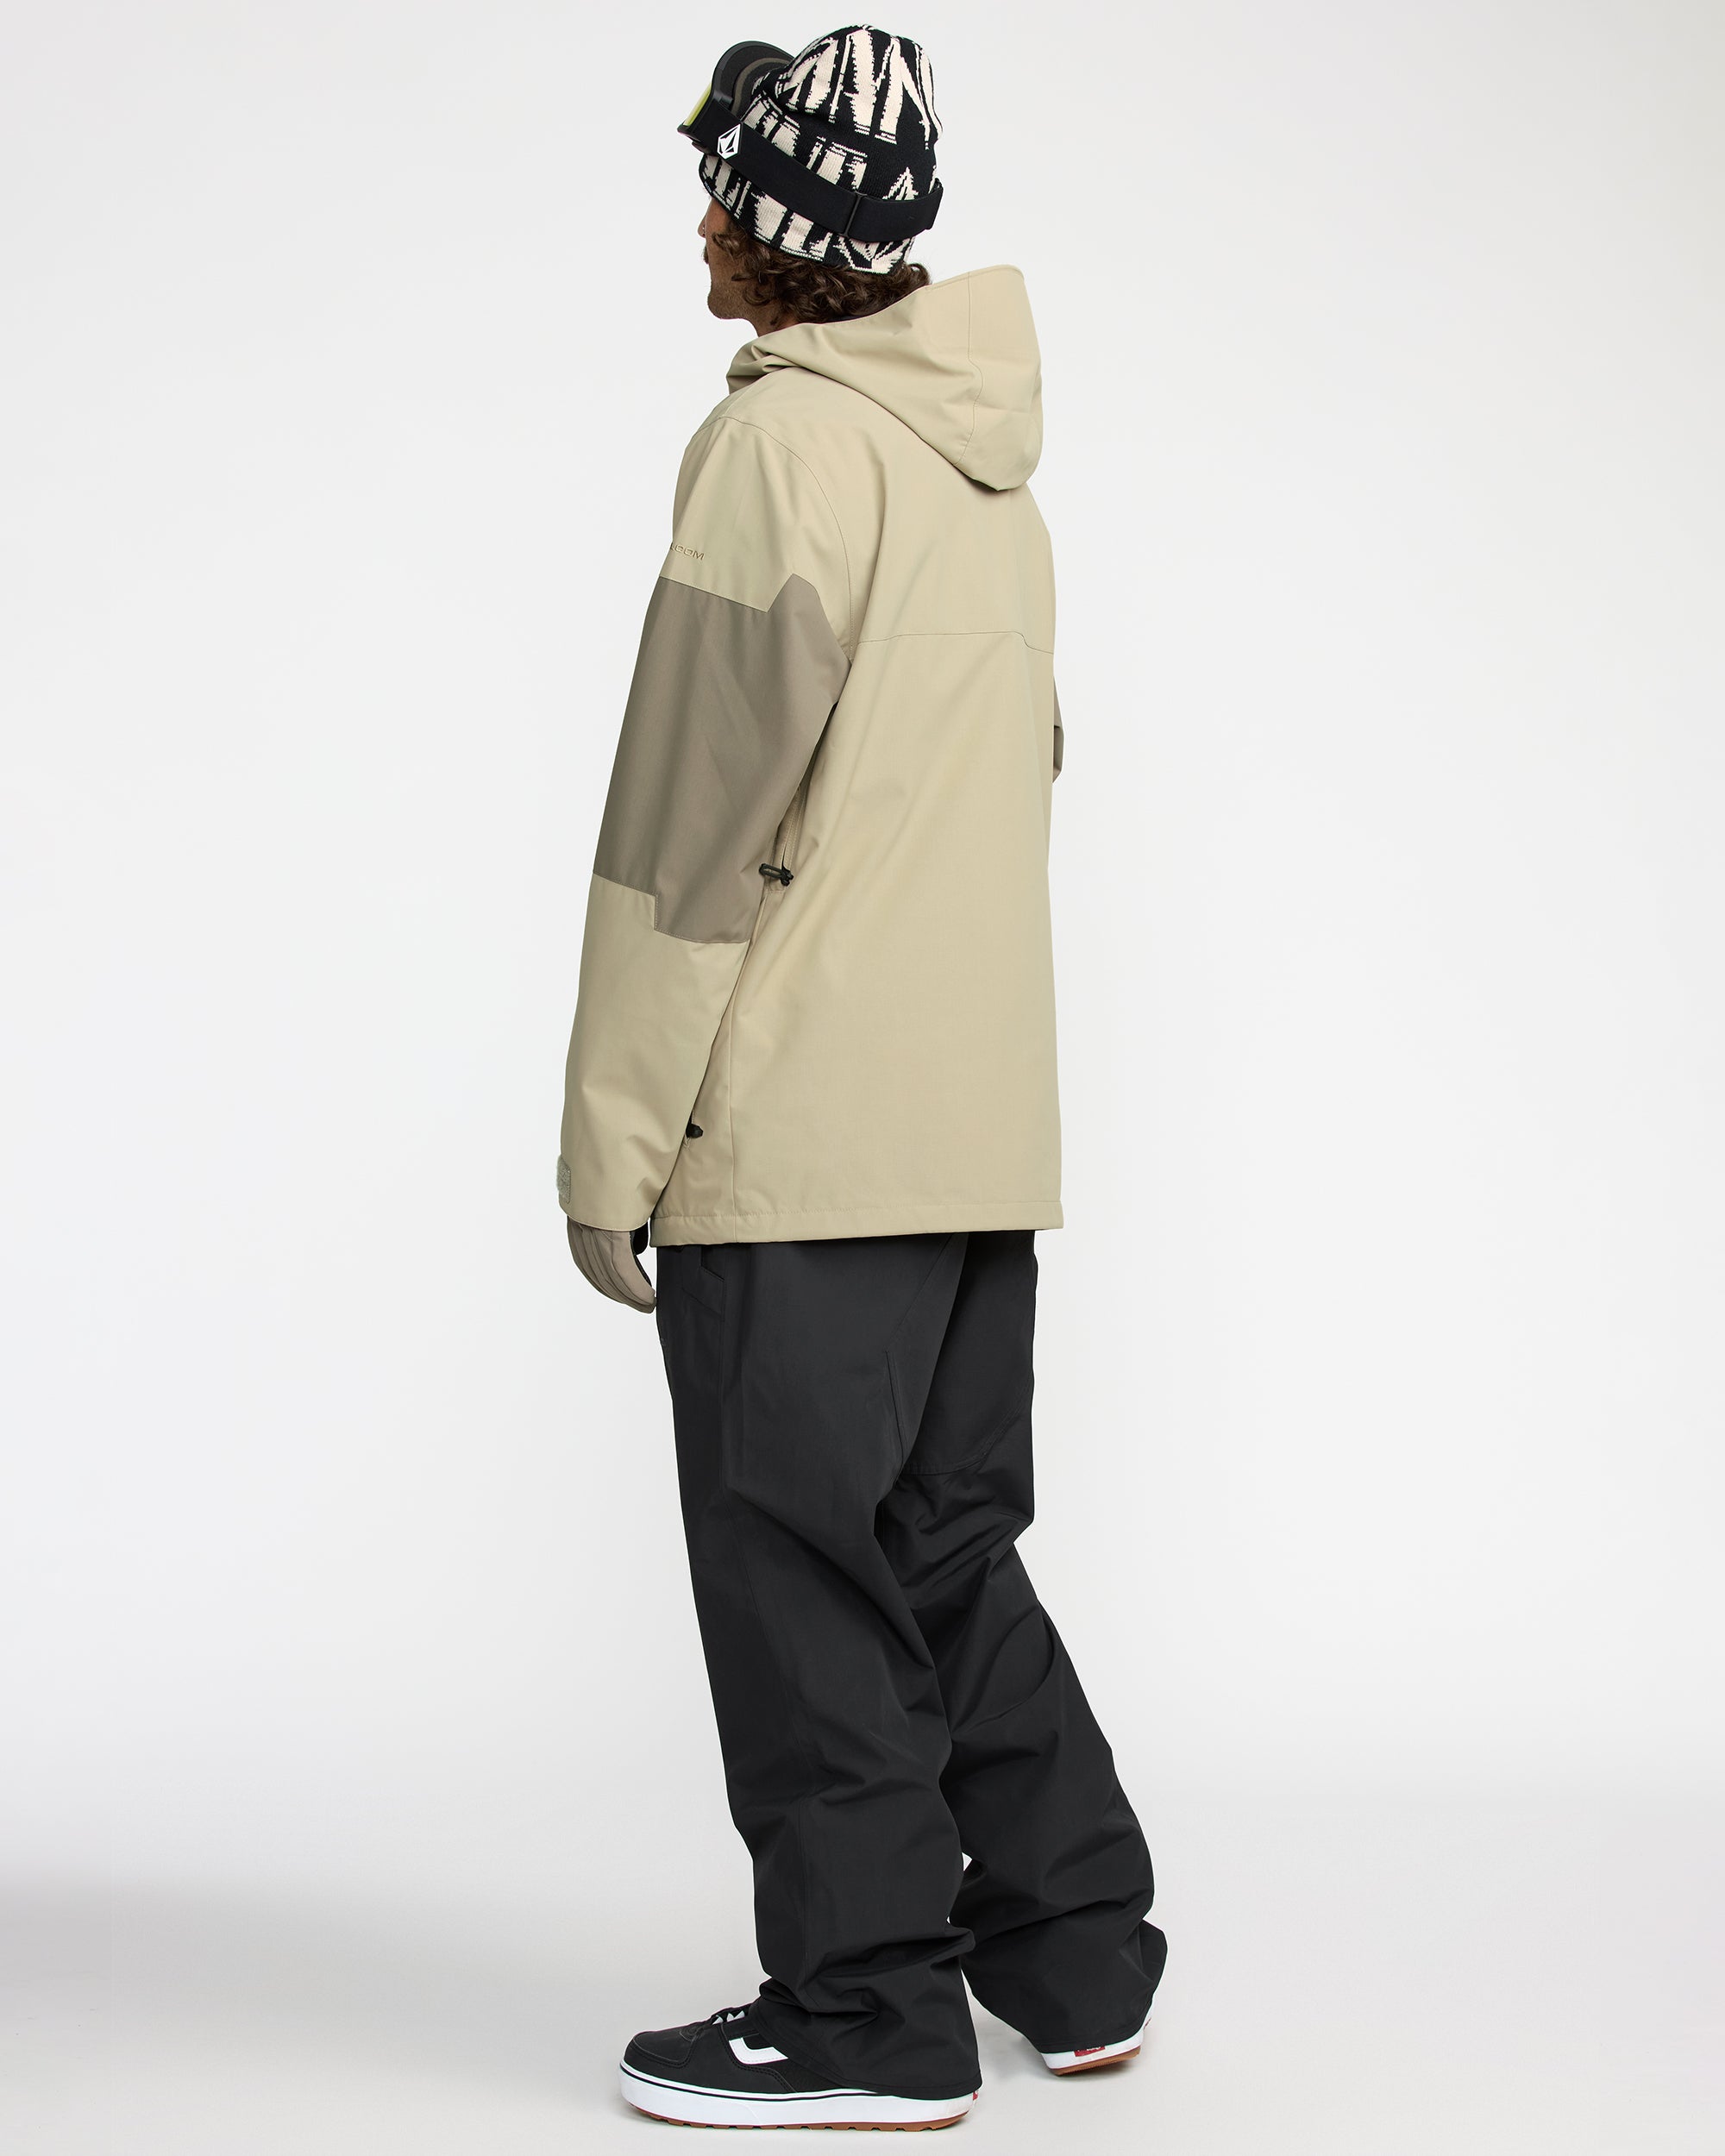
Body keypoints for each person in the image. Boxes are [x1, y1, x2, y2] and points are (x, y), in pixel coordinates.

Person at [557, 27, 1166, 2133]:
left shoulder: (783, 450)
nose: (697, 226)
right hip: (977, 1131)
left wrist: (613, 1138)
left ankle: (864, 2013)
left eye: (718, 191)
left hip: (802, 1136)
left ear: (778, 226)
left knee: (798, 1558)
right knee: (940, 1543)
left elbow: (686, 831)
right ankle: (1077, 1949)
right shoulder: (994, 480)